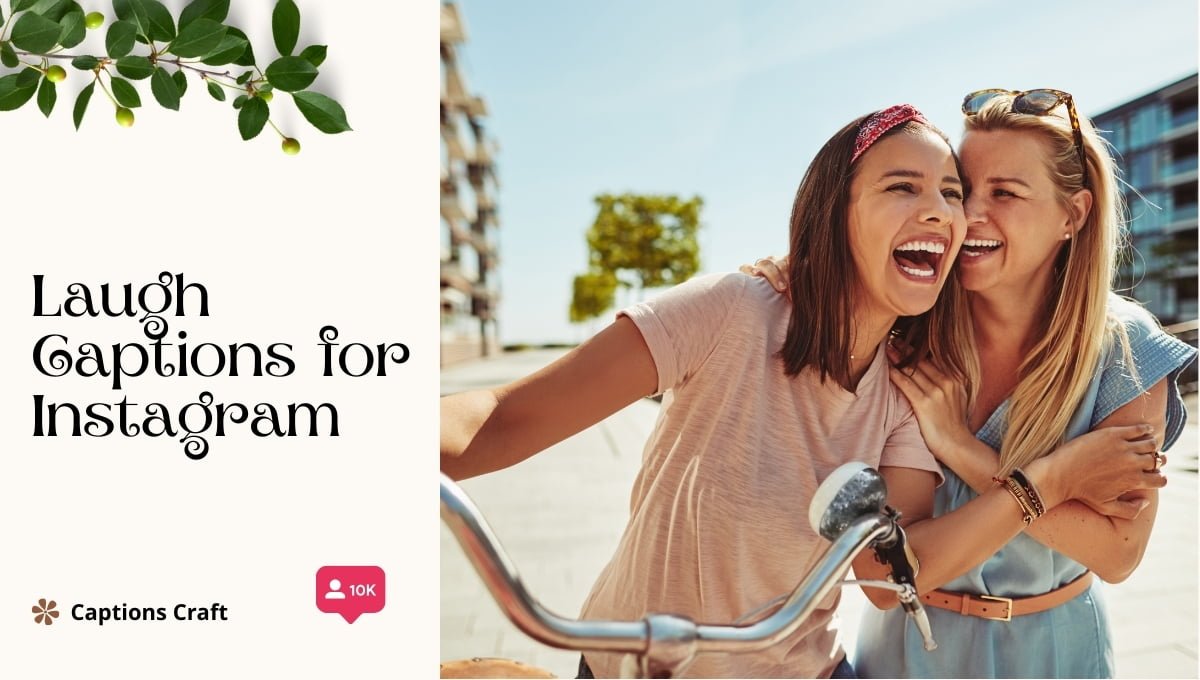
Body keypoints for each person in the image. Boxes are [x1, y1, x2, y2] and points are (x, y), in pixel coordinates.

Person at [442, 105, 1164, 679]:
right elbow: (500, 420)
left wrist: (1009, 474)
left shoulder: (910, 380)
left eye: (952, 192)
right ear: (836, 211)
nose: (952, 213)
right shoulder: (736, 310)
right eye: (903, 186)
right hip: (639, 661)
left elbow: (891, 562)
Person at [745, 89, 1196, 678]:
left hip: (1058, 655)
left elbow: (1119, 553)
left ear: (1074, 215)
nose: (968, 215)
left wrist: (964, 450)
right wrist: (794, 275)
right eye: (963, 188)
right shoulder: (906, 329)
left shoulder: (1127, 350)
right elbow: (885, 572)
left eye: (1005, 193)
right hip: (905, 650)